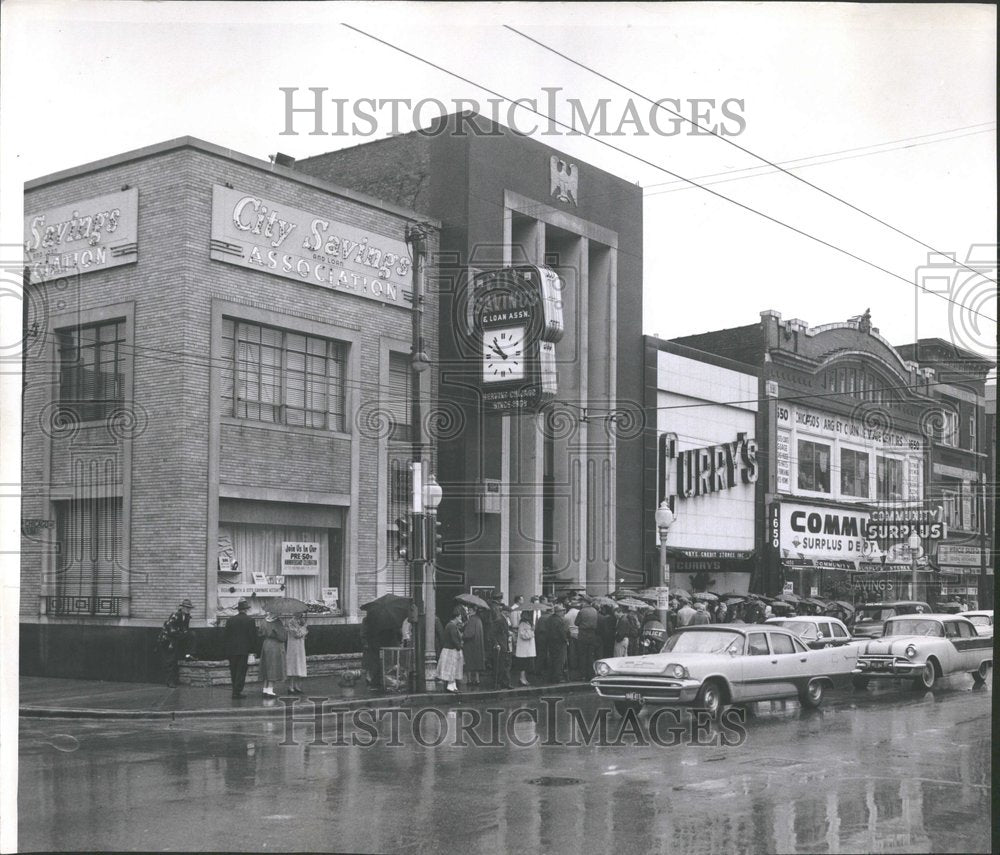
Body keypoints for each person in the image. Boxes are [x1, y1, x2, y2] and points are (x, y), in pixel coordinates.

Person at [221, 599, 257, 698]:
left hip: (231, 650)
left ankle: (234, 690)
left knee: (233, 670)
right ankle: (237, 692)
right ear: (246, 610)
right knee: (241, 672)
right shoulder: (250, 620)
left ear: (239, 610)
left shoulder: (230, 620)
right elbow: (252, 637)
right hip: (244, 650)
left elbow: (226, 636)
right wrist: (253, 651)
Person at [158, 598, 195, 688]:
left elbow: (185, 630)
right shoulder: (176, 615)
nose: (188, 609)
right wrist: (182, 634)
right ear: (182, 607)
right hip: (168, 640)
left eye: (189, 608)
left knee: (192, 635)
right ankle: (169, 681)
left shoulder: (186, 617)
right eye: (186, 607)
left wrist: (184, 634)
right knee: (170, 660)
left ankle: (188, 655)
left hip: (176, 639)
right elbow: (170, 629)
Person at [436, 607, 465, 692]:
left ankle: (452, 686)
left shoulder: (451, 625)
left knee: (452, 668)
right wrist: (459, 647)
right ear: (456, 617)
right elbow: (454, 639)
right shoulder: (452, 626)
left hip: (450, 649)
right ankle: (451, 686)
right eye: (460, 617)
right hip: (451, 650)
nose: (460, 618)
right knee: (451, 668)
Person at [258, 612, 287, 697]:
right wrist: (284, 629)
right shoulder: (277, 622)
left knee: (266, 666)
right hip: (275, 645)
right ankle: (270, 689)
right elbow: (283, 637)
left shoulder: (263, 621)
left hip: (266, 644)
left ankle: (265, 688)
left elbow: (260, 633)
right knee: (273, 667)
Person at [488, 592, 513, 689]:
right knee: (500, 665)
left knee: (505, 664)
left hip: (504, 644)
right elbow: (493, 633)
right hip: (500, 645)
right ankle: (498, 683)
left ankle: (504, 682)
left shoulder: (503, 619)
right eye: (509, 613)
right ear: (506, 612)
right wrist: (496, 643)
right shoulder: (499, 620)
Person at [543, 604, 569, 683]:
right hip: (559, 642)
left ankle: (551, 676)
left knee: (552, 659)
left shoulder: (549, 619)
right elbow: (562, 632)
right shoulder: (560, 620)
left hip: (551, 642)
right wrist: (566, 640)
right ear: (558, 612)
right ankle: (558, 677)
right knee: (559, 660)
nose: (563, 612)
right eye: (562, 611)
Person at [575, 599, 600, 679]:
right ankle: (591, 674)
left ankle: (583, 674)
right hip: (592, 634)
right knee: (591, 655)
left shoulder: (582, 611)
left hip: (583, 634)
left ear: (585, 602)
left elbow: (576, 623)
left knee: (582, 655)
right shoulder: (595, 611)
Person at [463, 606, 486, 687]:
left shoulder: (471, 620)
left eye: (469, 610)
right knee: (477, 663)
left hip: (470, 645)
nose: (468, 611)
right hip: (477, 644)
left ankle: (469, 680)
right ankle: (477, 679)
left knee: (469, 663)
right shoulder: (478, 619)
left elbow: (469, 634)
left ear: (473, 611)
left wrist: (462, 634)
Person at [285, 613, 308, 694]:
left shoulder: (302, 621)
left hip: (300, 646)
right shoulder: (291, 622)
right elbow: (296, 634)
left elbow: (305, 633)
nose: (300, 614)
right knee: (292, 664)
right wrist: (303, 629)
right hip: (293, 646)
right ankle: (290, 686)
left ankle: (297, 686)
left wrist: (304, 627)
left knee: (299, 664)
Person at [512, 610, 536, 686]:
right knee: (523, 664)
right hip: (524, 648)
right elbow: (524, 635)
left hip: (527, 648)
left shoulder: (527, 623)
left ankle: (524, 678)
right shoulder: (522, 624)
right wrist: (532, 631)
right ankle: (522, 679)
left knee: (526, 664)